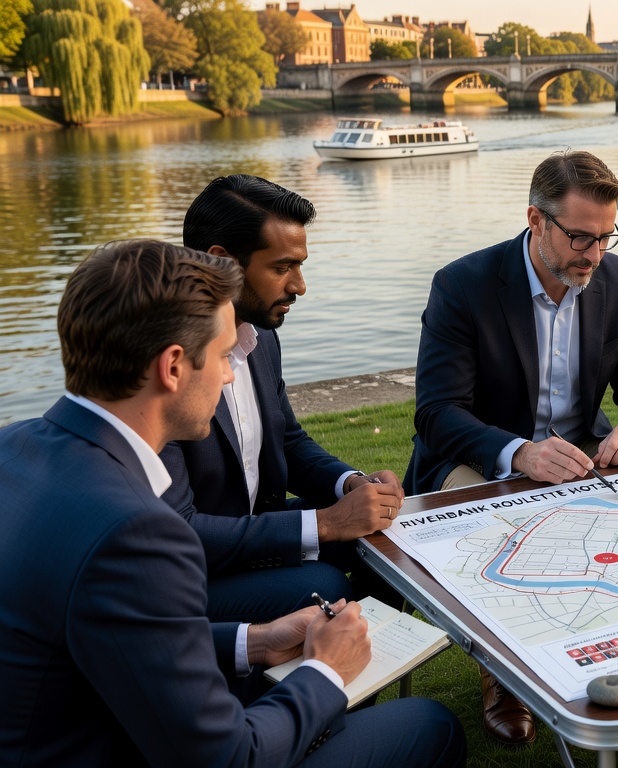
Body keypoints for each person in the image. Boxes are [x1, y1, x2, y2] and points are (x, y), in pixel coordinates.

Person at [0, 239, 465, 767]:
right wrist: (327, 671)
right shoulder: (135, 532)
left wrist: (256, 640)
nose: (228, 374)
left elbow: (110, 634)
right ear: (173, 367)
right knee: (429, 726)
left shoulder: (13, 448)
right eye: (223, 356)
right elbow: (228, 758)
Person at [407, 149, 618, 745]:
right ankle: (503, 675)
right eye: (581, 239)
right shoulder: (463, 285)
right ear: (536, 220)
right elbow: (436, 413)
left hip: (583, 442)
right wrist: (520, 454)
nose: (594, 255)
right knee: (503, 526)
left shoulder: (617, 276)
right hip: (477, 455)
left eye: (606, 237)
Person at [159, 175, 405, 623]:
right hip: (191, 573)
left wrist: (350, 485)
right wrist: (328, 524)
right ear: (222, 263)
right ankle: (296, 680)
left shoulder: (259, 335)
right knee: (326, 587)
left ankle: (363, 677)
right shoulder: (169, 364)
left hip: (257, 526)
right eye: (282, 268)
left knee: (386, 539)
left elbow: (286, 437)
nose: (300, 286)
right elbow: (182, 530)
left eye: (300, 265)